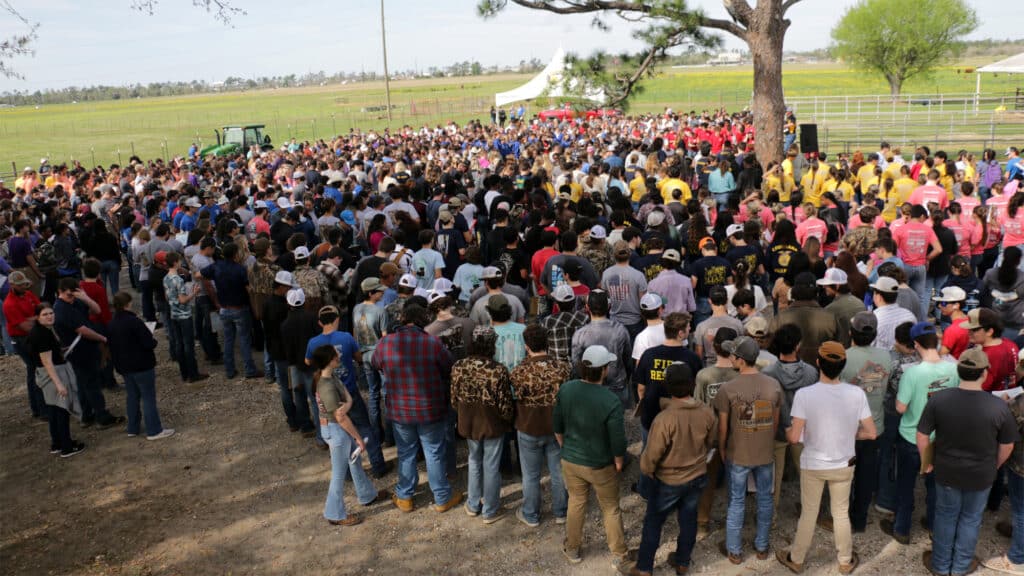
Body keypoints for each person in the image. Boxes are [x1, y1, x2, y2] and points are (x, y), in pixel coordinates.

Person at [776, 342, 876, 575]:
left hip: (813, 464)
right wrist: (853, 433)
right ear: (843, 366)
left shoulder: (804, 395)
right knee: (840, 513)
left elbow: (793, 438)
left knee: (809, 513)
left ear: (818, 363)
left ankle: (797, 558)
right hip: (844, 463)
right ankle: (844, 560)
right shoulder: (856, 393)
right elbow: (871, 433)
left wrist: (792, 430)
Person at [919, 348, 1017, 576]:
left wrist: (927, 462)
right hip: (981, 474)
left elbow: (922, 435)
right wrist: (994, 466)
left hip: (946, 472)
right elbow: (1007, 445)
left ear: (959, 370)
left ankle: (941, 566)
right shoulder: (999, 406)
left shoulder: (939, 399)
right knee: (971, 520)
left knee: (945, 517)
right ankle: (961, 565)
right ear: (984, 373)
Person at [629, 363, 717, 576]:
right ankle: (683, 561)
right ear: (693, 384)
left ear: (668, 387)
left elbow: (652, 455)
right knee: (688, 520)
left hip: (668, 480)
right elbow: (711, 441)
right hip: (697, 476)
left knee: (653, 522)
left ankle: (644, 567)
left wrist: (647, 470)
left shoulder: (664, 419)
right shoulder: (706, 412)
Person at [372, 304, 459, 512]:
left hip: (400, 410)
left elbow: (375, 364)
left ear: (403, 319)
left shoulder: (385, 343)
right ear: (423, 321)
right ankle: (442, 497)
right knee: (434, 452)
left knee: (406, 452)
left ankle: (405, 496)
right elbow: (449, 367)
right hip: (430, 408)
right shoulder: (432, 342)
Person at [553, 344, 632, 568]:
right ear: (604, 370)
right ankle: (619, 552)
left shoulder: (566, 389)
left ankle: (573, 548)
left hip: (571, 460)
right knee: (610, 507)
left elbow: (557, 425)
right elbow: (617, 438)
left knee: (576, 502)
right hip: (600, 465)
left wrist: (565, 447)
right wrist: (618, 460)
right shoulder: (610, 400)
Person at [882, 322, 959, 545]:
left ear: (915, 344)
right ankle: (933, 525)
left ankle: (902, 529)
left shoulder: (912, 373)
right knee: (935, 486)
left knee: (905, 485)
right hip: (940, 438)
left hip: (911, 437)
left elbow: (900, 408)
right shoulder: (953, 369)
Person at [714, 335, 783, 564]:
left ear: (741, 360)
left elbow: (723, 427)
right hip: (764, 453)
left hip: (738, 454)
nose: (730, 358)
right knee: (765, 499)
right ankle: (762, 546)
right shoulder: (773, 385)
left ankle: (734, 550)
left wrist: (722, 449)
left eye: (733, 355)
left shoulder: (728, 389)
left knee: (736, 501)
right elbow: (774, 422)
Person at [307, 305, 388, 478]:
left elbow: (308, 361)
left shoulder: (313, 343)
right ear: (337, 319)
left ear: (320, 322)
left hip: (329, 396)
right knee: (365, 428)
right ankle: (378, 466)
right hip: (349, 391)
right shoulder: (346, 337)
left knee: (340, 437)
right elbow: (358, 357)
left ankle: (348, 474)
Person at [309, 344, 383, 527]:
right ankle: (334, 513)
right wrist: (358, 438)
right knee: (339, 473)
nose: (338, 356)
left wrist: (348, 403)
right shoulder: (326, 385)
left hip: (336, 429)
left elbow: (347, 400)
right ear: (329, 360)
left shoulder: (328, 377)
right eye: (335, 355)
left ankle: (367, 495)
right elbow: (340, 416)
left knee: (354, 462)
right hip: (336, 432)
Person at [510, 324, 572, 527]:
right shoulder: (562, 368)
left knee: (531, 475)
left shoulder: (519, 371)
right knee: (558, 471)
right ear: (547, 343)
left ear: (526, 346)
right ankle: (561, 511)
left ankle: (531, 513)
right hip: (556, 428)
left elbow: (517, 396)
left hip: (529, 427)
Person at [451, 326, 514, 523]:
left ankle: (472, 504)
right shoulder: (498, 370)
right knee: (491, 465)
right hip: (492, 423)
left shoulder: (458, 366)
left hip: (468, 421)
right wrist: (508, 420)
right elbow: (505, 404)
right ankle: (490, 509)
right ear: (491, 344)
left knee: (474, 460)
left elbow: (454, 398)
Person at [840, 311, 893, 534]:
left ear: (851, 332)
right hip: (875, 426)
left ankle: (841, 518)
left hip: (847, 428)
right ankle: (859, 520)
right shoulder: (886, 357)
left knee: (843, 477)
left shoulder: (843, 357)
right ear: (875, 334)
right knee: (866, 475)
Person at [53, 277, 122, 429]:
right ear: (60, 292)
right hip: (80, 352)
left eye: (74, 294)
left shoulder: (75, 302)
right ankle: (101, 416)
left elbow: (96, 310)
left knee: (83, 383)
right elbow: (82, 330)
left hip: (85, 349)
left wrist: (84, 297)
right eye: (69, 295)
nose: (72, 298)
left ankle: (87, 415)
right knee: (91, 385)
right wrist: (102, 338)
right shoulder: (61, 309)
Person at [763, 323, 818, 508]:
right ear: (797, 346)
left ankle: (771, 515)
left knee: (773, 478)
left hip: (776, 430)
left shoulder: (768, 374)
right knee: (806, 473)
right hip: (801, 430)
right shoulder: (811, 372)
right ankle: (810, 511)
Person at [106, 291, 173, 441]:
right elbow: (149, 343)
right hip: (142, 366)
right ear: (127, 304)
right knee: (148, 398)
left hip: (124, 367)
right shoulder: (134, 322)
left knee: (132, 397)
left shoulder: (111, 324)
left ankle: (133, 428)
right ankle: (154, 430)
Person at [28, 302, 84, 457]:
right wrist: (59, 384)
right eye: (45, 314)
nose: (49, 316)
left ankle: (57, 443)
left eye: (51, 313)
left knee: (53, 411)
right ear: (37, 317)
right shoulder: (42, 334)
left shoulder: (42, 331)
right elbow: (47, 362)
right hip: (53, 375)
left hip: (47, 373)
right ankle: (66, 447)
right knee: (61, 411)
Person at [201, 242, 261, 380]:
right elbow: (249, 289)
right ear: (235, 254)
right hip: (239, 308)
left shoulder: (216, 266)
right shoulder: (240, 269)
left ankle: (229, 370)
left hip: (224, 308)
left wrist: (213, 287)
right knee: (244, 340)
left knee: (228, 341)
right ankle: (249, 369)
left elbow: (199, 274)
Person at [571, 290, 632, 407]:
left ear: (587, 307)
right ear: (609, 306)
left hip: (590, 387)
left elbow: (576, 365)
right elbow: (628, 361)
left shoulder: (580, 334)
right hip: (617, 386)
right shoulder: (621, 330)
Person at [3, 270, 45, 421]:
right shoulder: (9, 304)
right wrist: (39, 319)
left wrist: (36, 318)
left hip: (31, 336)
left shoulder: (27, 294)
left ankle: (39, 407)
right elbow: (25, 326)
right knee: (35, 371)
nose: (23, 286)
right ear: (12, 285)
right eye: (20, 285)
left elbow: (42, 310)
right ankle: (40, 408)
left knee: (35, 370)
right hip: (21, 340)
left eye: (24, 284)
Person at [163, 252, 207, 384]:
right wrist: (194, 293)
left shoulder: (166, 278)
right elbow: (182, 300)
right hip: (184, 315)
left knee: (179, 344)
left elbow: (167, 296)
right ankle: (193, 373)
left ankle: (184, 373)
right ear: (176, 262)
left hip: (174, 314)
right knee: (188, 345)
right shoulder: (178, 279)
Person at [601, 240, 648, 336]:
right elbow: (643, 303)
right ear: (629, 253)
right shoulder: (638, 275)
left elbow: (605, 298)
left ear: (614, 255)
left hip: (615, 321)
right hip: (635, 322)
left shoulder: (606, 274)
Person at [693, 285, 744, 366]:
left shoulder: (701, 327)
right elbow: (741, 350)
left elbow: (699, 355)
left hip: (709, 371)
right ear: (727, 300)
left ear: (709, 301)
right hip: (733, 369)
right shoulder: (737, 324)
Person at [540, 284, 590, 365]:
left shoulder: (547, 321)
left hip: (556, 369)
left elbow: (544, 347)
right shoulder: (584, 319)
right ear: (574, 302)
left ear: (557, 304)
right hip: (579, 367)